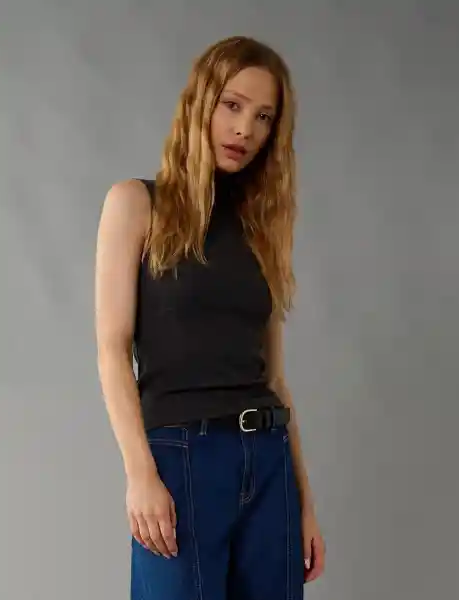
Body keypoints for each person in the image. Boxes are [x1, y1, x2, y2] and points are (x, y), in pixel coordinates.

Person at [95, 35, 325, 600]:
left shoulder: (259, 230)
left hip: (268, 461)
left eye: (263, 116)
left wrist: (304, 502)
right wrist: (140, 474)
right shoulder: (136, 204)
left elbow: (274, 378)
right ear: (200, 101)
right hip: (181, 458)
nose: (245, 129)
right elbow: (113, 349)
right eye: (232, 105)